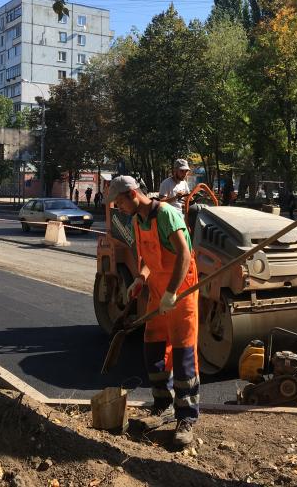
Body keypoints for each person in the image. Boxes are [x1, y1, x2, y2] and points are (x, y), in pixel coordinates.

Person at [107, 175, 200, 447]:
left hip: (180, 292)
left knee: (183, 353)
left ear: (132, 194)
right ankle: (163, 405)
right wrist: (140, 278)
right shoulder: (138, 221)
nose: (119, 208)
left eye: (119, 202)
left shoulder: (166, 215)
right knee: (153, 346)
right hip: (158, 291)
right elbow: (151, 260)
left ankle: (186, 417)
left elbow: (184, 254)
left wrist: (172, 292)